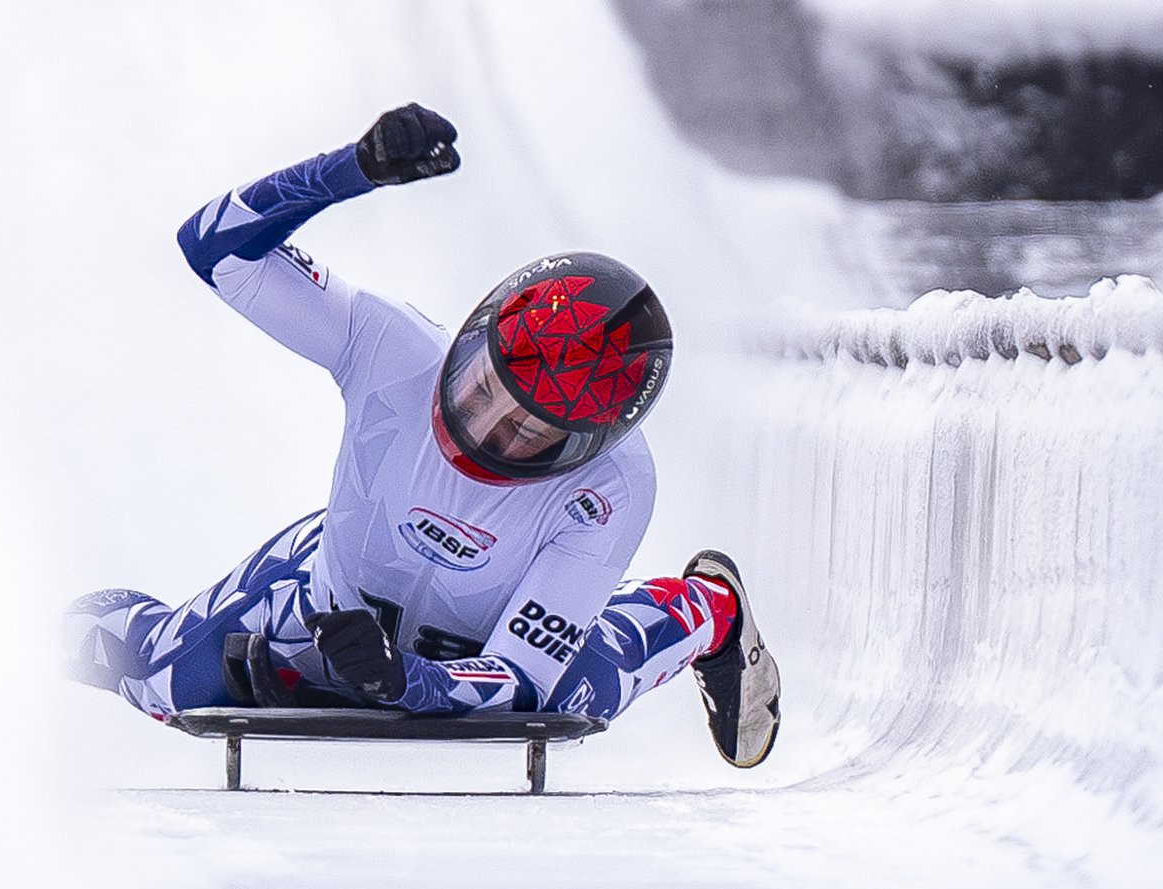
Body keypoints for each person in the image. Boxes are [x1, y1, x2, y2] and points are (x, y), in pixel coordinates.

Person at [63, 104, 781, 768]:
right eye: (480, 385)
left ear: (585, 446)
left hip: (483, 643)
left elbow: (522, 679)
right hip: (324, 598)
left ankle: (708, 609)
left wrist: (409, 679)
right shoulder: (392, 346)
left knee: (571, 700)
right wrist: (353, 169)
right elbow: (212, 246)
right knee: (161, 673)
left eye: (526, 432)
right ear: (472, 334)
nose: (481, 426)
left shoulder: (614, 487)